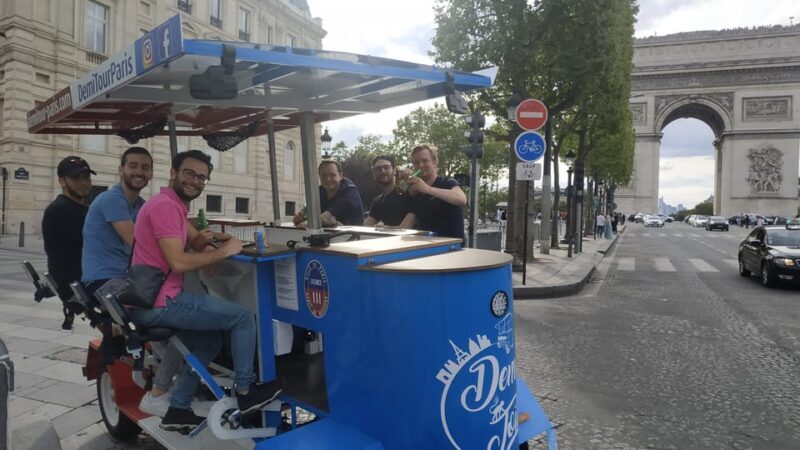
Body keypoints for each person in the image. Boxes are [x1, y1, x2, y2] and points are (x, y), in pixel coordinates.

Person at [129, 150, 281, 432]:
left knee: (210, 341)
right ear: (173, 173)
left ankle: (178, 409)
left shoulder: (170, 205)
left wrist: (212, 245)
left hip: (149, 302)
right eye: (189, 173)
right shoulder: (165, 207)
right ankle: (246, 393)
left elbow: (194, 237)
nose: (195, 181)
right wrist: (224, 252)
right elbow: (178, 261)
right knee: (243, 318)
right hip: (163, 302)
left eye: (202, 177)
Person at [42, 156, 95, 330]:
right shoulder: (62, 210)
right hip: (79, 287)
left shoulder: (77, 209)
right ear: (62, 181)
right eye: (76, 178)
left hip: (79, 282)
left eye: (86, 177)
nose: (83, 183)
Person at [401, 144, 467, 241]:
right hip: (427, 247)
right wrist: (385, 228)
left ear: (435, 162)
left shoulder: (447, 182)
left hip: (451, 248)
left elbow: (462, 199)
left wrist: (427, 189)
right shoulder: (417, 192)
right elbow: (405, 226)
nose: (420, 165)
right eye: (416, 162)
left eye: (425, 161)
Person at [294, 160, 364, 228]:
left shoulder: (350, 192)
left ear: (340, 175)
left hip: (357, 237)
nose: (328, 179)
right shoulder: (319, 192)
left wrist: (307, 223)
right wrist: (301, 218)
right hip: (327, 236)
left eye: (332, 175)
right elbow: (307, 212)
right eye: (324, 176)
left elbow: (328, 215)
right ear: (319, 177)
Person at [363, 155, 414, 227]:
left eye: (386, 167)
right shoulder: (378, 201)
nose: (382, 171)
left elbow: (408, 228)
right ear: (374, 173)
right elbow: (366, 227)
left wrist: (387, 229)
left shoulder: (408, 192)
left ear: (394, 170)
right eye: (378, 169)